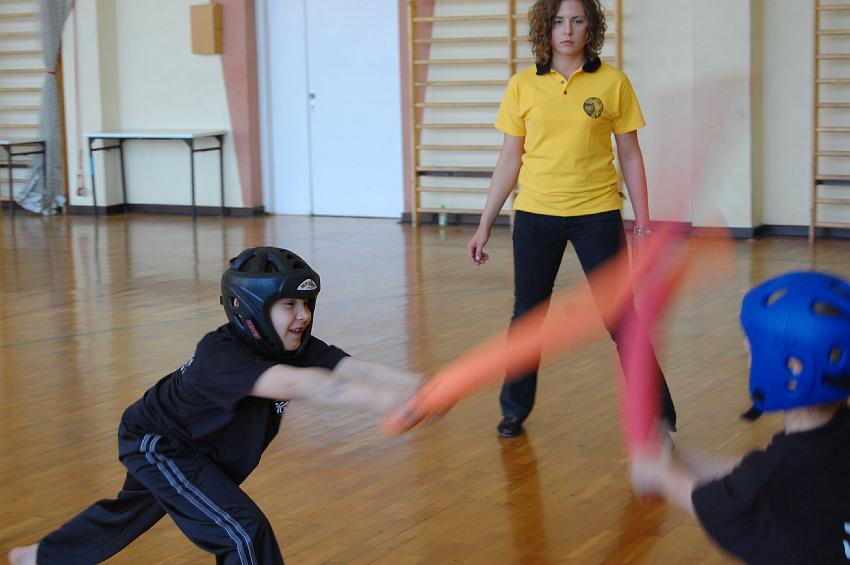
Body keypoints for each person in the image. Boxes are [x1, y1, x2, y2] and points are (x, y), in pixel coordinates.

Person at [8, 246, 421, 565]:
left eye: (307, 304)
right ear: (248, 305)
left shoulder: (294, 346)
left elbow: (353, 368)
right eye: (289, 305)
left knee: (131, 510)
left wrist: (421, 386)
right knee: (242, 533)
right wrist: (388, 402)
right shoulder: (222, 354)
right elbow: (303, 384)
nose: (303, 316)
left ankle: (39, 557)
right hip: (159, 444)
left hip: (202, 450)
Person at [466, 0, 676, 438]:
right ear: (545, 28)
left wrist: (642, 222)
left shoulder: (613, 82)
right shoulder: (522, 85)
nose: (567, 30)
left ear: (590, 28)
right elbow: (509, 159)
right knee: (527, 316)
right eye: (559, 21)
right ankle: (514, 409)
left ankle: (659, 415)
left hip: (596, 214)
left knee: (621, 316)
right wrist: (485, 224)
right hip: (535, 215)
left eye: (577, 21)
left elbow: (631, 155)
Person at [630, 271, 850, 565]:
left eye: (753, 350)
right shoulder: (830, 439)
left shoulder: (782, 467)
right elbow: (751, 477)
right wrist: (683, 453)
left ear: (793, 369)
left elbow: (722, 508)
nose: (749, 357)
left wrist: (661, 474)